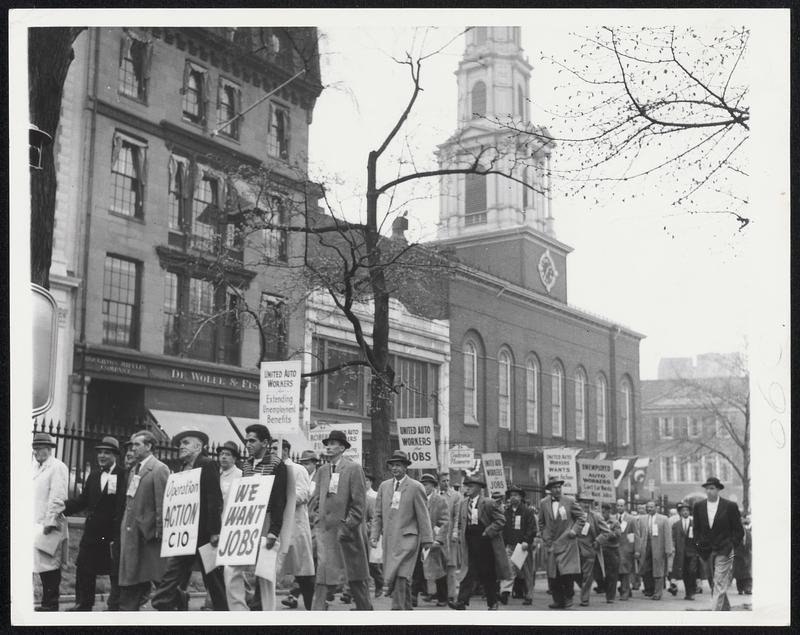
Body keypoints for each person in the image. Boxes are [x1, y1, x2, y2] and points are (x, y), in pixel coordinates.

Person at [151, 429, 226, 611]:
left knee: (213, 580)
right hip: (184, 534)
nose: (181, 447)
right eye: (180, 444)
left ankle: (226, 615)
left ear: (198, 446)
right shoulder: (181, 468)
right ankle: (166, 602)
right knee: (172, 573)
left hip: (203, 535)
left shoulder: (207, 464)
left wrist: (215, 531)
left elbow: (214, 499)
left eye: (185, 443)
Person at [224, 423, 287, 611]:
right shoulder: (246, 464)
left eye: (252, 440)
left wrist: (274, 531)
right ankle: (239, 614)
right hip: (247, 521)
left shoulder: (277, 464)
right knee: (231, 568)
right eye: (246, 441)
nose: (248, 444)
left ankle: (267, 617)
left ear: (265, 442)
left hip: (266, 521)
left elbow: (279, 501)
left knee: (265, 574)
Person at [311, 429, 372, 610]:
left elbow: (359, 505)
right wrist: (317, 521)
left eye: (333, 444)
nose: (328, 447)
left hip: (347, 536)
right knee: (322, 579)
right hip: (325, 535)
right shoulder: (322, 470)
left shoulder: (353, 469)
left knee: (355, 579)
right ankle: (316, 616)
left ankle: (367, 613)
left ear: (342, 448)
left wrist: (347, 528)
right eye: (327, 444)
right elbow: (314, 500)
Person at [64, 436, 127, 611]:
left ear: (115, 455)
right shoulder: (94, 475)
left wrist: (117, 533)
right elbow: (83, 500)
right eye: (100, 452)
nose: (102, 456)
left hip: (111, 533)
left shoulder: (123, 475)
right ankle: (83, 604)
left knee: (114, 571)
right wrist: (63, 507)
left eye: (107, 452)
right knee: (83, 567)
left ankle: (115, 606)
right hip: (92, 531)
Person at [369, 451, 432, 609]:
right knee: (398, 575)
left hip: (408, 539)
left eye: (398, 465)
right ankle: (406, 609)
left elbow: (423, 515)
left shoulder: (416, 487)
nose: (395, 468)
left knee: (401, 574)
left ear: (405, 467)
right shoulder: (384, 486)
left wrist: (427, 540)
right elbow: (377, 514)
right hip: (390, 539)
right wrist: (374, 535)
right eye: (392, 465)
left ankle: (397, 610)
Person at [118, 430, 170, 611]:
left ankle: (175, 602)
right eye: (132, 445)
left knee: (157, 575)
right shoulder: (134, 469)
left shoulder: (159, 469)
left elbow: (163, 502)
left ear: (149, 446)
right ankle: (130, 609)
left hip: (149, 533)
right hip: (132, 531)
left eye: (137, 444)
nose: (133, 448)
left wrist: (160, 531)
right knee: (133, 573)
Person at [449, 475, 509, 611]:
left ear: (478, 488)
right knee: (467, 572)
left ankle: (492, 603)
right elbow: (460, 523)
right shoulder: (464, 503)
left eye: (470, 486)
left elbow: (501, 521)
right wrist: (458, 534)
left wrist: (488, 532)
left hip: (486, 544)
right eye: (466, 486)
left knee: (488, 574)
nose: (467, 489)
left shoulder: (488, 503)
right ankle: (461, 602)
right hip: (470, 543)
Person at [691, 476, 744, 611]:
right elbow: (696, 529)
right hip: (705, 550)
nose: (709, 491)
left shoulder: (730, 506)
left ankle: (715, 617)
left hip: (724, 549)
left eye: (712, 488)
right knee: (713, 582)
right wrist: (698, 544)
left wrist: (731, 545)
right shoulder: (698, 506)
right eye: (707, 489)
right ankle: (725, 610)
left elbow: (739, 530)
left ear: (718, 489)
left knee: (719, 582)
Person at [32, 432, 70, 611]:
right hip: (35, 522)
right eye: (35, 447)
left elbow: (58, 495)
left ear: (49, 449)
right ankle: (46, 602)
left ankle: (51, 603)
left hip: (49, 524)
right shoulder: (35, 467)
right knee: (38, 563)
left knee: (50, 564)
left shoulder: (57, 467)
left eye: (39, 447)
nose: (36, 451)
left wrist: (51, 520)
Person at [277, 440, 316, 610]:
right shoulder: (270, 470)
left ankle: (311, 607)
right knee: (268, 568)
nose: (271, 452)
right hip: (276, 527)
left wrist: (280, 499)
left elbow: (303, 495)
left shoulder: (297, 470)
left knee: (302, 570)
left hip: (295, 526)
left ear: (285, 450)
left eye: (274, 448)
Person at [537, 476, 586, 609]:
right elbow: (541, 522)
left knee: (567, 573)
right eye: (554, 487)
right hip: (551, 543)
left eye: (559, 487)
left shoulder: (569, 501)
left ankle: (568, 598)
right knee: (554, 574)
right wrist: (544, 535)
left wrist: (574, 531)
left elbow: (581, 517)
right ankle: (558, 600)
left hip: (567, 542)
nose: (557, 489)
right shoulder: (543, 502)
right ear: (549, 490)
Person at [412, 473, 449, 607]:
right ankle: (413, 596)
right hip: (418, 540)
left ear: (433, 486)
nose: (423, 487)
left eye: (426, 484)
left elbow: (444, 521)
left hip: (433, 540)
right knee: (417, 569)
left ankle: (443, 597)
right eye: (421, 484)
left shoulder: (440, 500)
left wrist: (438, 539)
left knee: (438, 570)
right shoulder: (417, 499)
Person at [499, 484, 537, 606]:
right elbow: (503, 529)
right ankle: (505, 593)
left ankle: (529, 595)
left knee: (526, 572)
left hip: (522, 546)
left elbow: (532, 528)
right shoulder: (506, 512)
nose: (513, 498)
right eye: (511, 495)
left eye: (516, 495)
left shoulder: (527, 511)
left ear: (521, 497)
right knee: (509, 569)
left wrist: (527, 541)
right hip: (510, 544)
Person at [575, 494, 610, 607]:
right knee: (573, 574)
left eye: (588, 502)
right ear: (578, 503)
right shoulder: (574, 515)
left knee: (587, 576)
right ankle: (581, 589)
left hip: (589, 551)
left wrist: (598, 541)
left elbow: (606, 532)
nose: (585, 504)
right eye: (583, 502)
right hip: (573, 550)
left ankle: (584, 599)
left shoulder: (596, 516)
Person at [637, 500, 673, 600]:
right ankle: (649, 589)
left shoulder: (664, 519)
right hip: (646, 546)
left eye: (651, 507)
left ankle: (658, 592)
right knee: (646, 568)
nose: (649, 509)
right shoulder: (642, 519)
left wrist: (668, 549)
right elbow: (639, 534)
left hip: (659, 548)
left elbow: (668, 535)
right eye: (647, 507)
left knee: (659, 570)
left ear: (656, 508)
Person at [438, 472, 462, 603]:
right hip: (438, 535)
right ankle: (438, 594)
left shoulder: (456, 496)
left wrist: (455, 533)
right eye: (443, 481)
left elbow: (457, 516)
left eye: (448, 481)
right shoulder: (435, 496)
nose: (446, 483)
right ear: (439, 482)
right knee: (438, 565)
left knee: (451, 566)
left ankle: (452, 594)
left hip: (450, 536)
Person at [669, 502, 698, 601]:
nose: (685, 512)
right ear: (680, 513)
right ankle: (688, 593)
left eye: (687, 510)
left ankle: (692, 592)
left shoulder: (695, 524)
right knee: (685, 572)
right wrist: (673, 547)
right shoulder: (676, 525)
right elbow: (673, 538)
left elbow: (699, 538)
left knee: (692, 571)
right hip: (681, 553)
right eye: (683, 511)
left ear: (689, 512)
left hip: (692, 552)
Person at [363, 470, 384, 598]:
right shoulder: (357, 495)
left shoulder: (375, 496)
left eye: (367, 480)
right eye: (363, 480)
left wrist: (371, 529)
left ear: (371, 482)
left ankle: (379, 583)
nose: (365, 483)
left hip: (371, 533)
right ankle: (349, 592)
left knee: (372, 563)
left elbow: (376, 517)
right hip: (358, 534)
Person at [613, 498, 638, 601]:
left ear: (625, 506)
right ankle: (625, 590)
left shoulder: (631, 519)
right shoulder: (613, 518)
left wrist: (636, 549)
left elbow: (636, 535)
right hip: (614, 549)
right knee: (616, 571)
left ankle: (625, 592)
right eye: (618, 505)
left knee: (625, 572)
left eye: (621, 505)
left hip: (626, 549)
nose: (620, 507)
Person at [217, 441, 242, 507]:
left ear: (234, 458)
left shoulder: (240, 475)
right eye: (222, 454)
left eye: (228, 454)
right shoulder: (215, 473)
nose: (223, 457)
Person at [734, 513, 752, 595]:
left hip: (747, 553)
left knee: (748, 572)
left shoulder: (747, 531)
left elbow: (750, 541)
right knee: (739, 573)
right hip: (738, 555)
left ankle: (748, 588)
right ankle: (740, 588)